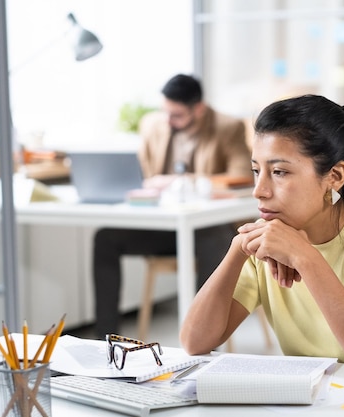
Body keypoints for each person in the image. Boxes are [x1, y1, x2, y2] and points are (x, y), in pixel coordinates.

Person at [180, 95, 344, 381]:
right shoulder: (269, 239)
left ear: (334, 176)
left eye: (279, 172)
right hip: (326, 400)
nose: (259, 191)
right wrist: (238, 250)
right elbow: (195, 342)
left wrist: (305, 258)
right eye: (257, 171)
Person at [93, 74, 253, 337]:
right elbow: (142, 172)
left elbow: (241, 177)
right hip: (164, 225)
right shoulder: (153, 125)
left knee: (216, 240)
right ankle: (105, 338)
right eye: (165, 111)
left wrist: (180, 181)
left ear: (198, 109)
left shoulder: (228, 127)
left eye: (176, 115)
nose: (168, 120)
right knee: (106, 238)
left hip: (206, 227)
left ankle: (204, 337)